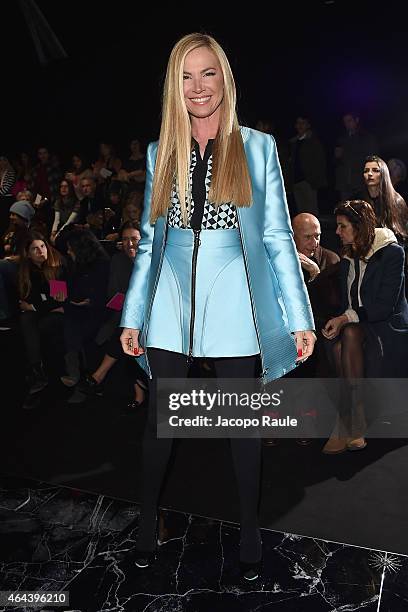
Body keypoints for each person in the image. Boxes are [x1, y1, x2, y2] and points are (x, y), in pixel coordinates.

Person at [119, 33, 315, 581]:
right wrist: (132, 313)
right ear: (172, 86)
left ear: (224, 78)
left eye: (207, 73)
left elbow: (277, 237)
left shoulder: (256, 147)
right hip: (169, 297)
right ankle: (146, 520)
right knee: (163, 421)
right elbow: (148, 241)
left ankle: (250, 532)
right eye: (186, 76)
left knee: (240, 425)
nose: (197, 87)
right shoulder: (163, 150)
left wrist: (299, 318)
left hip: (234, 296)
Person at [322, 200, 408, 453]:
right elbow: (347, 300)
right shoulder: (347, 255)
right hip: (359, 326)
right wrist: (339, 320)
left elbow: (383, 307)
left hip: (386, 326)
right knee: (339, 344)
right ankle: (354, 416)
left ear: (359, 227)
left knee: (348, 332)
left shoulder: (392, 252)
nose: (337, 232)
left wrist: (345, 319)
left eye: (342, 226)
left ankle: (345, 421)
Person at [79, 222, 147, 408]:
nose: (129, 244)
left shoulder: (154, 260)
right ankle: (138, 391)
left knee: (126, 333)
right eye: (125, 239)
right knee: (124, 331)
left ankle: (98, 376)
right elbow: (113, 293)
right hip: (124, 315)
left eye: (134, 239)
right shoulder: (118, 260)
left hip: (152, 316)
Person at [17, 230, 66, 395]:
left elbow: (58, 300)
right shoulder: (26, 270)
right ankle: (37, 369)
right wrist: (40, 303)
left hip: (58, 311)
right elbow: (25, 299)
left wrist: (35, 306)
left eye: (43, 246)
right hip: (43, 310)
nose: (41, 251)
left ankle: (47, 371)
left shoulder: (56, 265)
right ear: (28, 254)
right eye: (34, 249)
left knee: (41, 321)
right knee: (26, 319)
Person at [60, 229, 110, 387]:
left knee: (74, 322)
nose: (68, 251)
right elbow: (61, 285)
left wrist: (89, 301)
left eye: (71, 248)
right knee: (68, 319)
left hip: (97, 309)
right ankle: (75, 370)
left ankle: (76, 373)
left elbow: (101, 294)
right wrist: (59, 296)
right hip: (70, 305)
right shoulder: (68, 262)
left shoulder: (101, 264)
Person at [288, 116, 327, 215]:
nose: (300, 126)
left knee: (311, 211)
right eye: (298, 123)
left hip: (308, 182)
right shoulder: (293, 143)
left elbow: (320, 162)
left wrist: (314, 180)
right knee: (300, 212)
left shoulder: (313, 141)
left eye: (303, 123)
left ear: (308, 125)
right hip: (295, 181)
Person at [335, 112, 379, 199]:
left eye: (349, 121)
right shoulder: (341, 139)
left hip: (361, 183)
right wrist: (337, 157)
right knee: (346, 210)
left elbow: (373, 159)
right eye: (345, 122)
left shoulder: (367, 138)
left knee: (362, 209)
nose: (347, 124)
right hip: (345, 183)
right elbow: (337, 162)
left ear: (356, 120)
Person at [51, 179, 80, 243]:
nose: (63, 188)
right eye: (61, 186)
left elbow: (69, 222)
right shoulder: (58, 201)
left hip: (73, 228)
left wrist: (57, 235)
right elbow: (56, 220)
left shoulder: (76, 202)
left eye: (66, 186)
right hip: (62, 227)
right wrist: (53, 233)